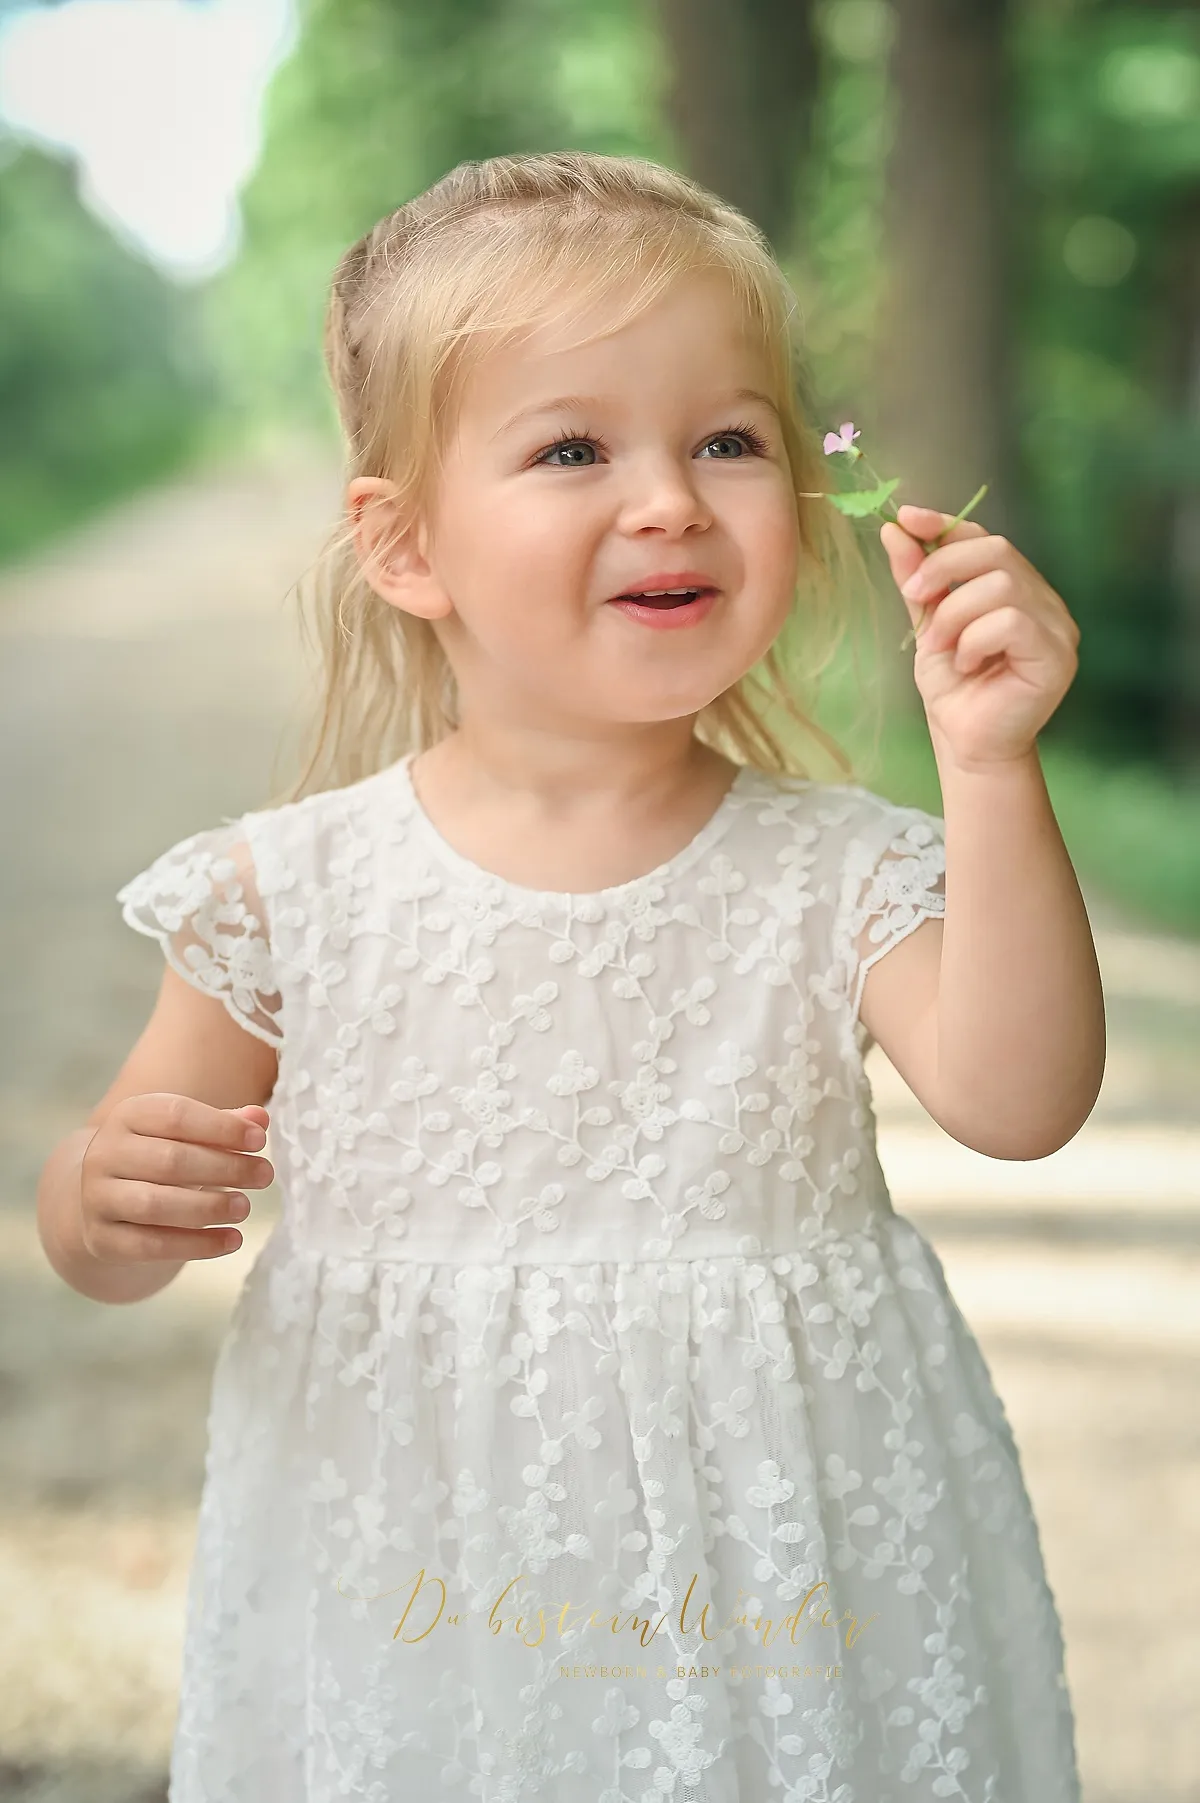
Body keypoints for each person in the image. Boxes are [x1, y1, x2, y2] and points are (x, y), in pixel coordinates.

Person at [36, 152, 1102, 1802]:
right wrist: (100, 1200)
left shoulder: (836, 872)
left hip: (778, 1587)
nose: (671, 496)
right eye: (574, 448)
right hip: (424, 1588)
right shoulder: (292, 893)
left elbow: (1023, 1102)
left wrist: (989, 765)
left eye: (729, 440)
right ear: (405, 546)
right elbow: (103, 1244)